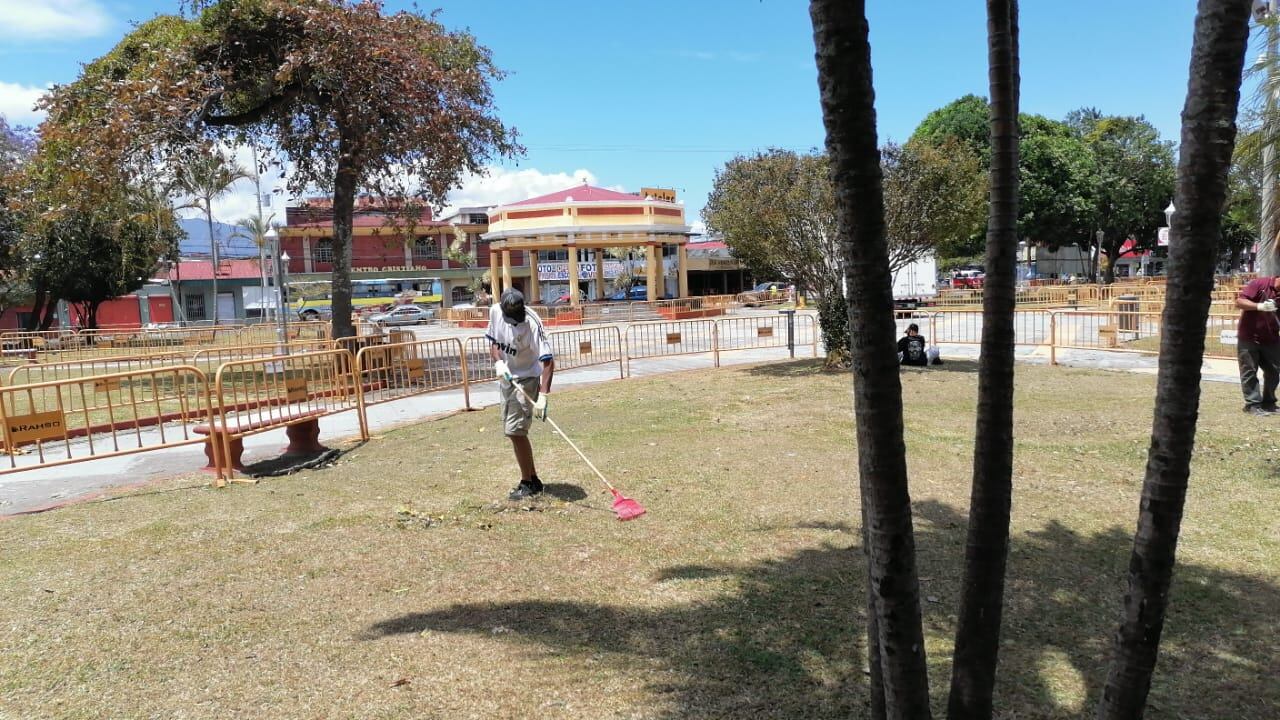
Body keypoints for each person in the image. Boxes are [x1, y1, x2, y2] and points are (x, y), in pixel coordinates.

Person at [487, 289, 555, 498]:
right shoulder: (496, 312)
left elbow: (548, 362)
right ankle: (533, 479)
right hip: (508, 378)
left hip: (527, 378)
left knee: (515, 431)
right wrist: (499, 362)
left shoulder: (533, 323)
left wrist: (543, 396)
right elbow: (494, 343)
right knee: (512, 431)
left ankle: (527, 483)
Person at [1235, 275, 1280, 415]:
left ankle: (1269, 402)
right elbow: (1239, 302)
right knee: (1249, 371)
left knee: (1274, 370)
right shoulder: (1260, 283)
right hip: (1249, 337)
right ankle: (1252, 404)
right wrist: (1259, 306)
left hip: (1271, 338)